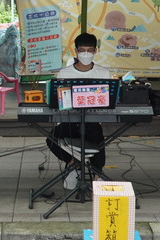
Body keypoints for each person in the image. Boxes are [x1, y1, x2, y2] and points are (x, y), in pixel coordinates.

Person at [46, 33, 111, 189]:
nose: (86, 54)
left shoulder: (103, 73)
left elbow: (109, 100)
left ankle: (97, 174)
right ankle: (73, 165)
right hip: (69, 122)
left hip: (92, 121)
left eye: (89, 50)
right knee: (51, 139)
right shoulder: (64, 74)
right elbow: (58, 101)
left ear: (96, 50)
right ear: (76, 51)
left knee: (96, 136)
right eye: (82, 50)